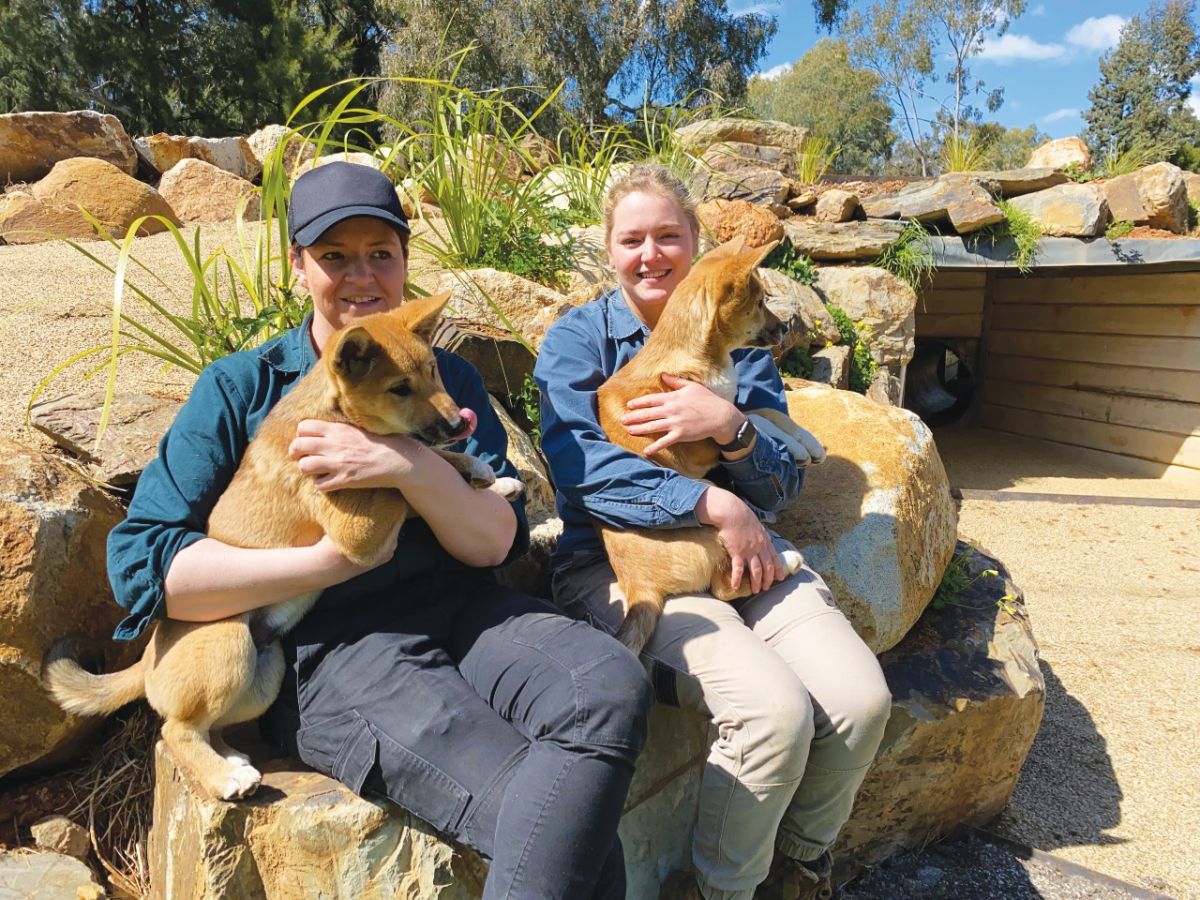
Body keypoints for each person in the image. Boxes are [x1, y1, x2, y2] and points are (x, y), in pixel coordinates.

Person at [106, 161, 654, 899]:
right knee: (571, 827)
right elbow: (144, 566)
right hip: (335, 649)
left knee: (611, 683)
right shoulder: (240, 388)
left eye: (382, 254)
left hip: (467, 607)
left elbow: (495, 540)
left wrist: (401, 463)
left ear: (404, 262)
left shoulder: (442, 374)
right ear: (299, 264)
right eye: (334, 256)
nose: (361, 275)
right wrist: (322, 563)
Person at [534, 162, 892, 900]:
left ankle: (801, 860)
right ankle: (723, 892)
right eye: (632, 239)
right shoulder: (576, 343)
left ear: (696, 244)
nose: (651, 254)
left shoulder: (738, 337)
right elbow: (583, 472)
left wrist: (731, 429)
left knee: (860, 702)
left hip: (745, 558)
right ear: (609, 250)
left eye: (669, 236)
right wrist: (713, 506)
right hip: (623, 563)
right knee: (773, 714)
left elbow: (785, 482)